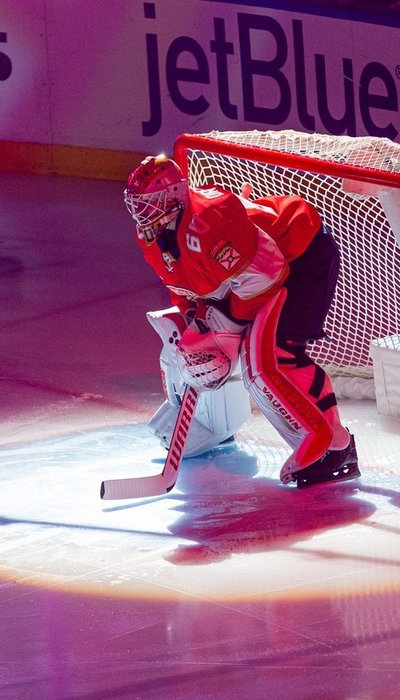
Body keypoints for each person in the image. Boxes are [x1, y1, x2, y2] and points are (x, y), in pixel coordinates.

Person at [122, 154, 360, 489]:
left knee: (273, 357)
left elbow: (268, 274)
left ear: (175, 196)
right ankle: (213, 425)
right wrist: (199, 324)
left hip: (302, 255)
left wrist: (228, 327)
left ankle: (334, 446)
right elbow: (185, 288)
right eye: (138, 204)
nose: (142, 213)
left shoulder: (209, 219)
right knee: (183, 346)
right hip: (253, 274)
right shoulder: (152, 236)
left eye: (151, 203)